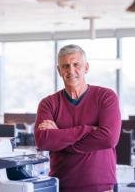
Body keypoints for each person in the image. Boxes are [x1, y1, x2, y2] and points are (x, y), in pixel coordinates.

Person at [34, 44, 121, 192]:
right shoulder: (48, 103)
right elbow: (43, 140)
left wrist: (60, 136)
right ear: (59, 70)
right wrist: (87, 129)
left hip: (101, 187)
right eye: (65, 66)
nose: (71, 71)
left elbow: (109, 138)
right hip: (61, 186)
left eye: (76, 65)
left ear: (86, 67)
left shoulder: (106, 97)